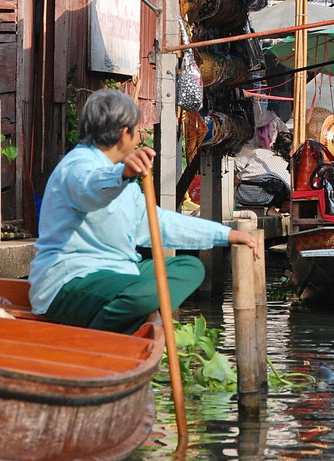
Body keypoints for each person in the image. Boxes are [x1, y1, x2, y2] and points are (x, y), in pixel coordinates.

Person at [28, 89, 259, 334]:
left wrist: (225, 235)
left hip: (119, 271)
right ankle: (103, 339)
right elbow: (92, 188)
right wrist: (122, 174)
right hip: (70, 281)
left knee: (190, 268)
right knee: (149, 291)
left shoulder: (118, 174)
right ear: (123, 133)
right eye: (137, 131)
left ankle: (124, 321)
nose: (139, 139)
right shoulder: (78, 166)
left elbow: (156, 223)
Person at [234, 131, 292, 216]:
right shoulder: (283, 164)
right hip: (262, 198)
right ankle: (271, 209)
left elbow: (238, 165)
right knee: (282, 186)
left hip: (241, 194)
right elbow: (290, 187)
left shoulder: (258, 152)